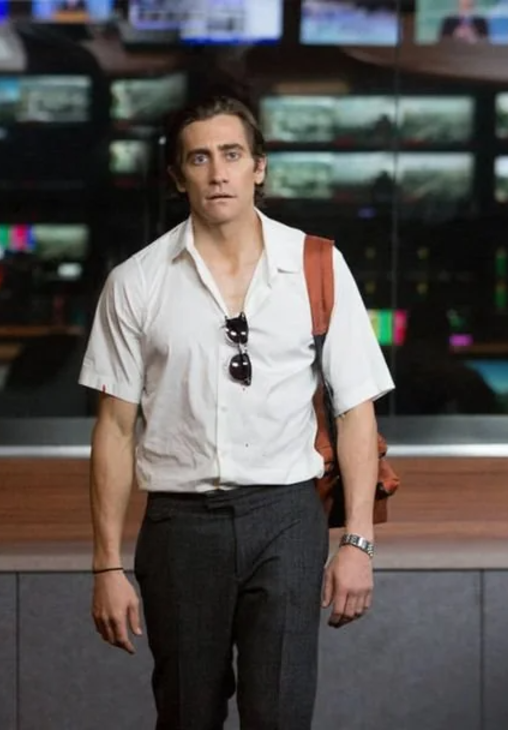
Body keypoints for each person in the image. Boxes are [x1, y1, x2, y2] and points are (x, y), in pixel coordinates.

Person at [78, 95, 395, 730]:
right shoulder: (136, 281)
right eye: (200, 158)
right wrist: (106, 564)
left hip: (284, 514)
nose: (218, 172)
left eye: (232, 155)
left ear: (259, 168)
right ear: (178, 177)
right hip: (178, 525)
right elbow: (114, 429)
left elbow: (356, 411)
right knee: (187, 714)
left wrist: (357, 541)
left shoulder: (317, 265)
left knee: (279, 712)